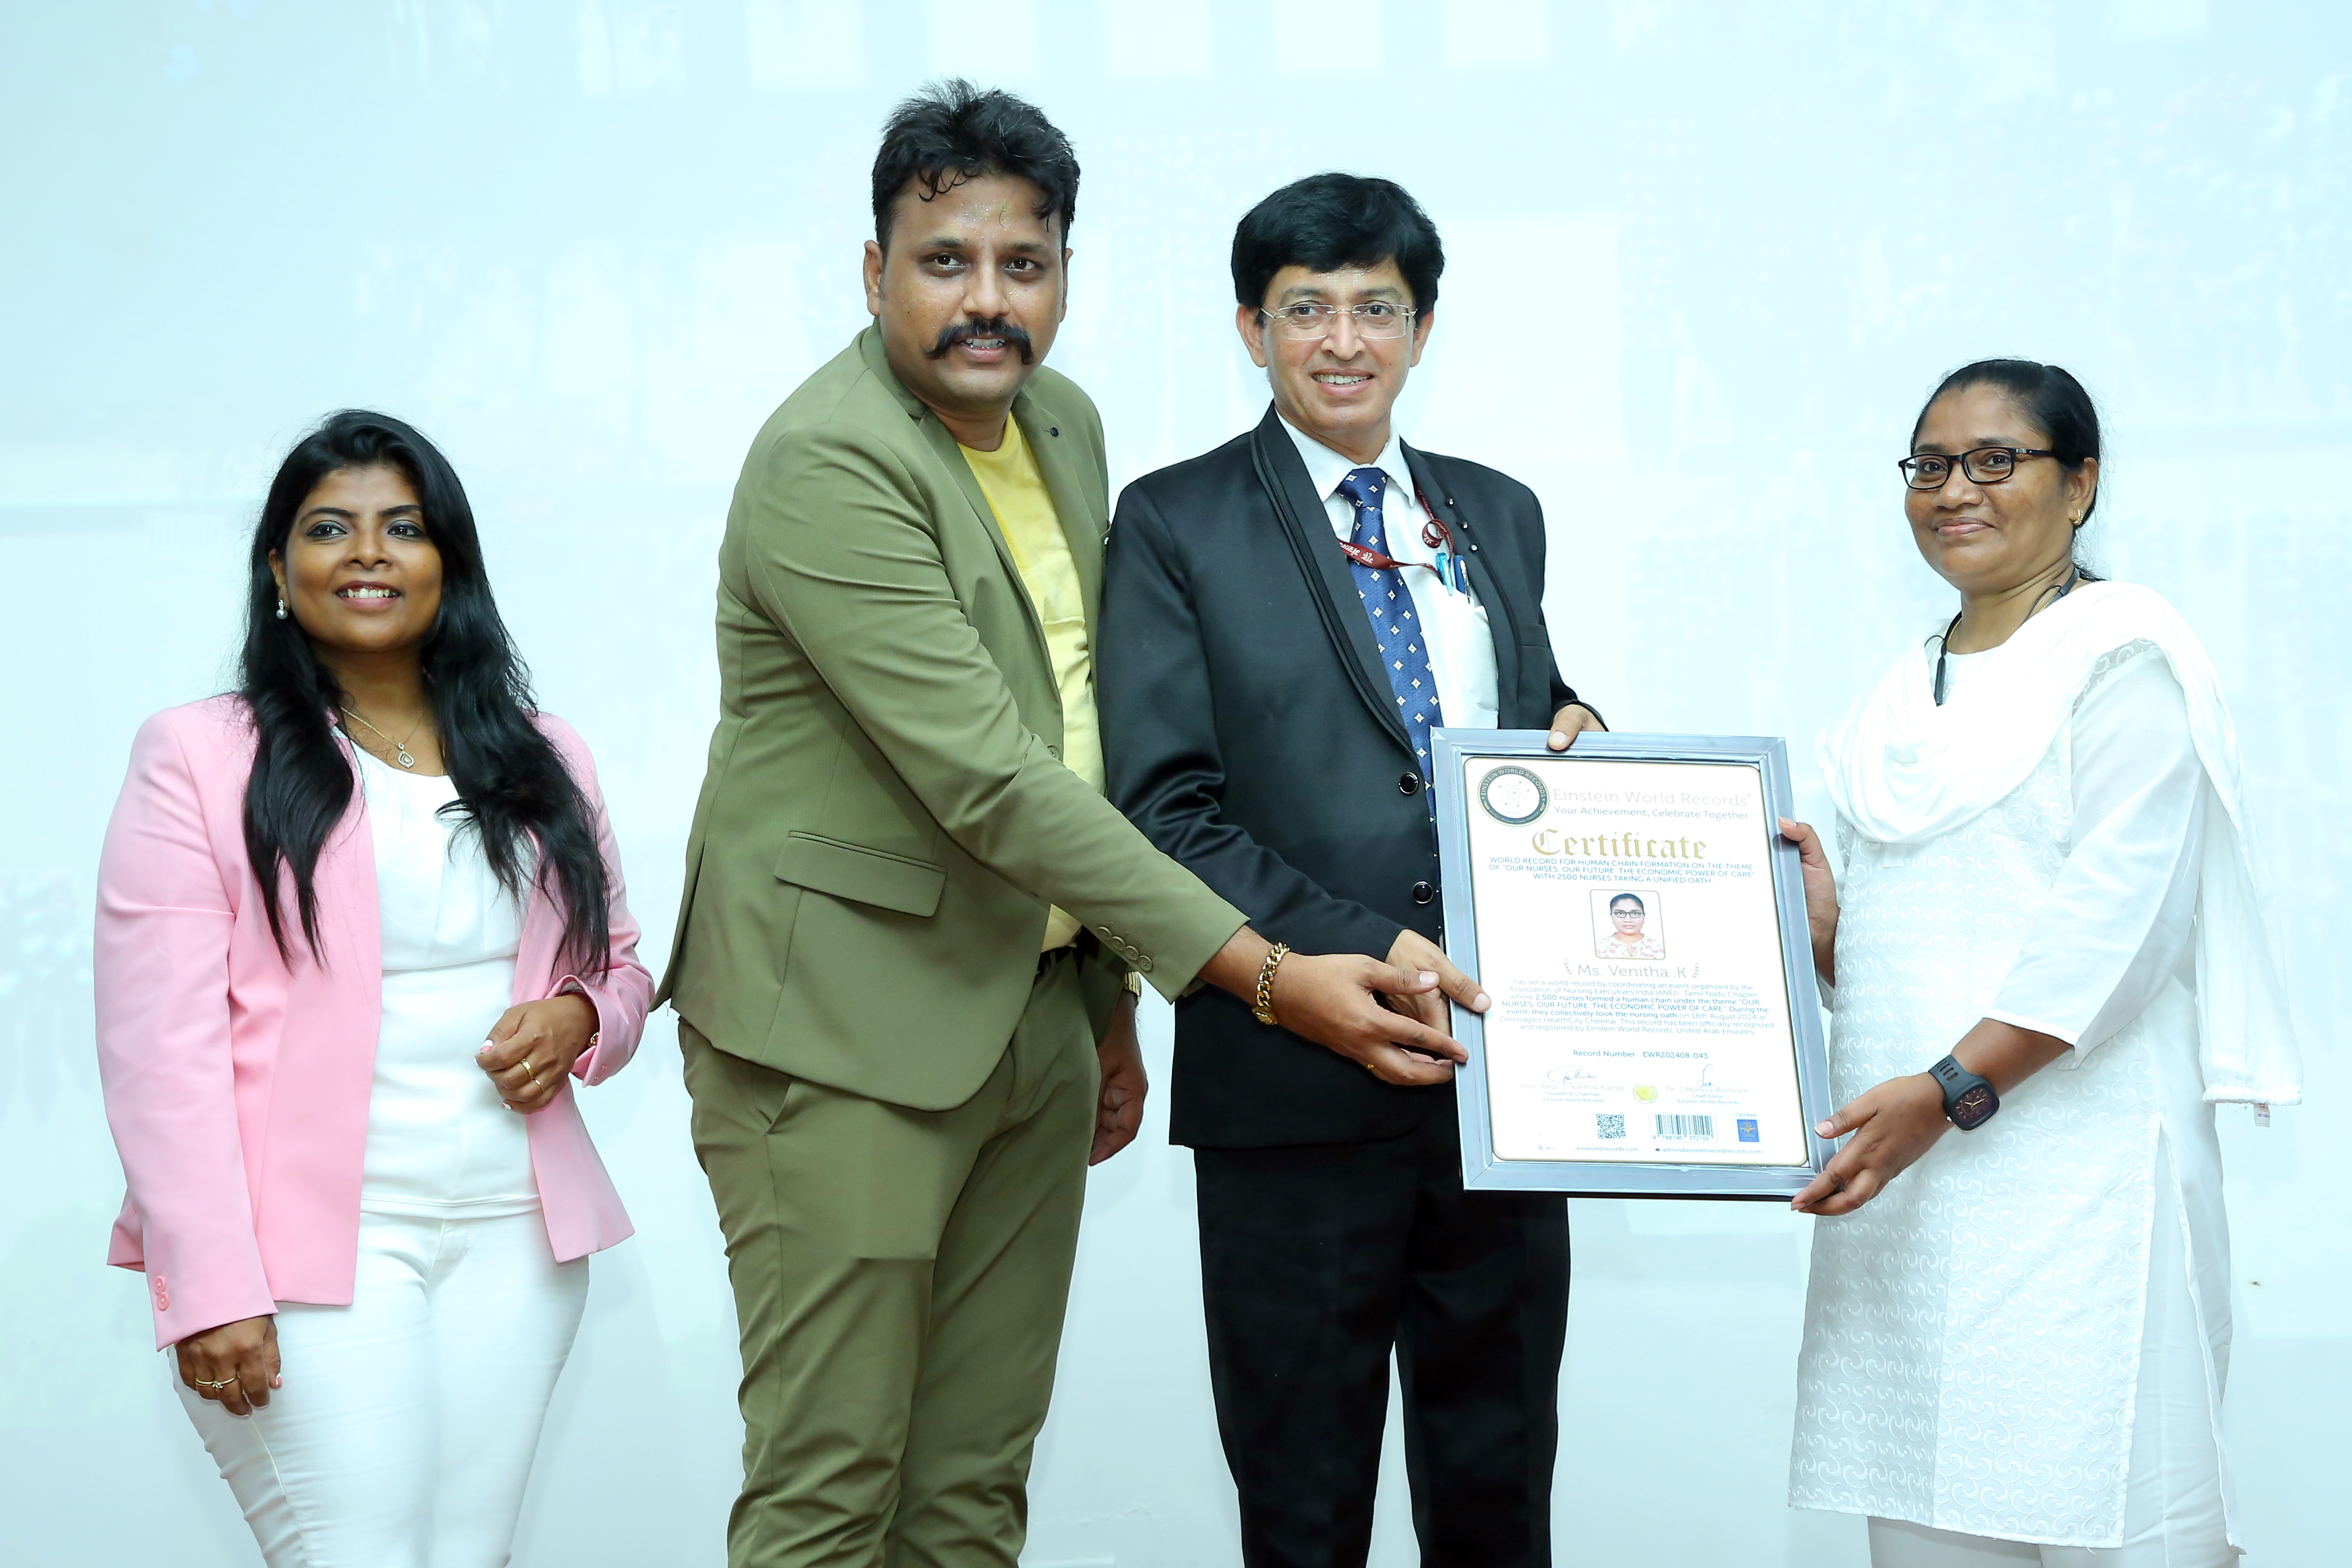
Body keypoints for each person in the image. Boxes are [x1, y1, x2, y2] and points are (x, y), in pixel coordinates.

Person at [659, 87, 1467, 1568]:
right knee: (835, 1491)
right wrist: (1262, 973)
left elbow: (1080, 729)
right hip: (839, 1032)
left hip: (1023, 1014)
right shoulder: (828, 461)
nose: (985, 300)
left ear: (1061, 276)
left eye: (1020, 264)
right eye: (943, 260)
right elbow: (985, 776)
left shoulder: (1059, 423)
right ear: (872, 271)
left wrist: (1101, 1002)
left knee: (971, 1490)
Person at [1097, 172, 1604, 1568]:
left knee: (1499, 1499)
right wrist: (1367, 943)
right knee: (1307, 1509)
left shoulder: (1498, 514)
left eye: (1377, 307)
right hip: (1295, 1083)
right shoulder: (1173, 521)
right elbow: (1163, 809)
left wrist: (1594, 749)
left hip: (1503, 1086)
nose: (1342, 340)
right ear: (1251, 328)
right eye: (1305, 307)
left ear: (1424, 328)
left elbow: (1522, 720)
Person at [94, 410, 653, 1568]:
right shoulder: (200, 755)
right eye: (328, 528)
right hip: (306, 1254)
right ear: (278, 571)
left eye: (402, 527)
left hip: (516, 1243)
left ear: (450, 561)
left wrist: (583, 1017)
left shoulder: (544, 756)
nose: (366, 552)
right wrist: (207, 1286)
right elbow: (160, 1049)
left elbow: (625, 964)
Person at [1778, 360, 2300, 1567]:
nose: (1954, 489)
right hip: (1911, 1201)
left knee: (2126, 1520)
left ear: (2082, 485)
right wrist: (1825, 937)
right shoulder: (1889, 702)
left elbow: (2114, 934)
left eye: (1995, 460)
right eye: (1930, 464)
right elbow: (1920, 941)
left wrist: (1949, 1089)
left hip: (2087, 1185)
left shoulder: (2126, 659)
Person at [1598, 893, 1662, 959]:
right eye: (1620, 913)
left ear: (1644, 916)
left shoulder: (1661, 947)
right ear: (1612, 916)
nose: (1628, 920)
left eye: (1635, 913)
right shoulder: (1599, 948)